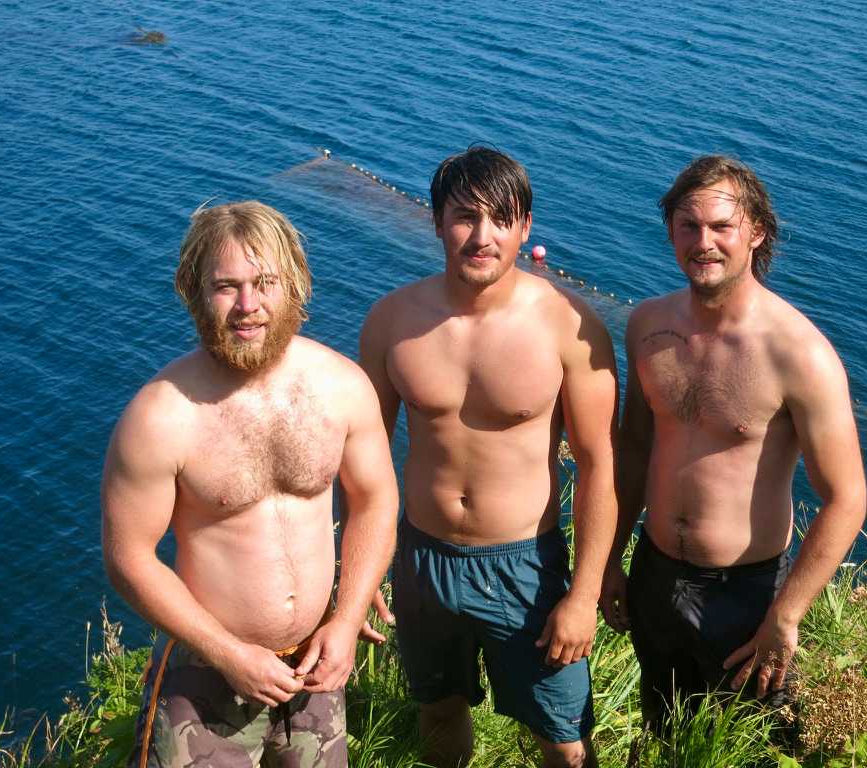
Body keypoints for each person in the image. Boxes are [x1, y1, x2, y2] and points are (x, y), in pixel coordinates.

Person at [102, 201, 398, 768]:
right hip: (205, 678)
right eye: (225, 286)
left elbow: (376, 500)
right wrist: (229, 652)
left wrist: (344, 618)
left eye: (265, 283)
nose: (248, 306)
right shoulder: (161, 416)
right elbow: (128, 558)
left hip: (316, 666)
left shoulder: (341, 388)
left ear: (295, 284)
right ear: (193, 290)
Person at [359, 147, 618, 768]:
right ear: (436, 221)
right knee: (438, 709)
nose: (482, 236)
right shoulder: (393, 321)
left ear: (525, 227)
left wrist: (583, 596)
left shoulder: (569, 328)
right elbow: (359, 455)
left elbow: (599, 465)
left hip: (525, 565)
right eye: (464, 217)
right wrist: (360, 569)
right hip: (423, 558)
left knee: (562, 736)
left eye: (501, 219)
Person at [600, 155, 867, 730]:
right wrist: (608, 560)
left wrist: (786, 614)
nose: (704, 243)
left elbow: (846, 498)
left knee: (744, 745)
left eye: (722, 227)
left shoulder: (799, 354)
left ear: (756, 232)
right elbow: (636, 451)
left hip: (744, 592)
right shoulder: (647, 326)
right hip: (654, 572)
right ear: (670, 229)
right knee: (663, 730)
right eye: (688, 226)